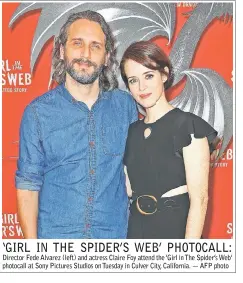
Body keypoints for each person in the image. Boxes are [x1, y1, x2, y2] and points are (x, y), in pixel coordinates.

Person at [15, 11, 137, 239]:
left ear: (107, 56)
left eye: (95, 46)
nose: (85, 54)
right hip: (56, 248)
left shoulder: (125, 106)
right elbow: (27, 187)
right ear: (62, 50)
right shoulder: (38, 113)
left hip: (113, 246)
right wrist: (32, 258)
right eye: (77, 43)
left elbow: (136, 172)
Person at [120, 41, 218, 239]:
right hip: (136, 231)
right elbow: (129, 189)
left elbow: (200, 201)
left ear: (164, 74)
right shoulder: (131, 131)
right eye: (133, 80)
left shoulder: (188, 126)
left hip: (173, 229)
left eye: (148, 76)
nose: (141, 87)